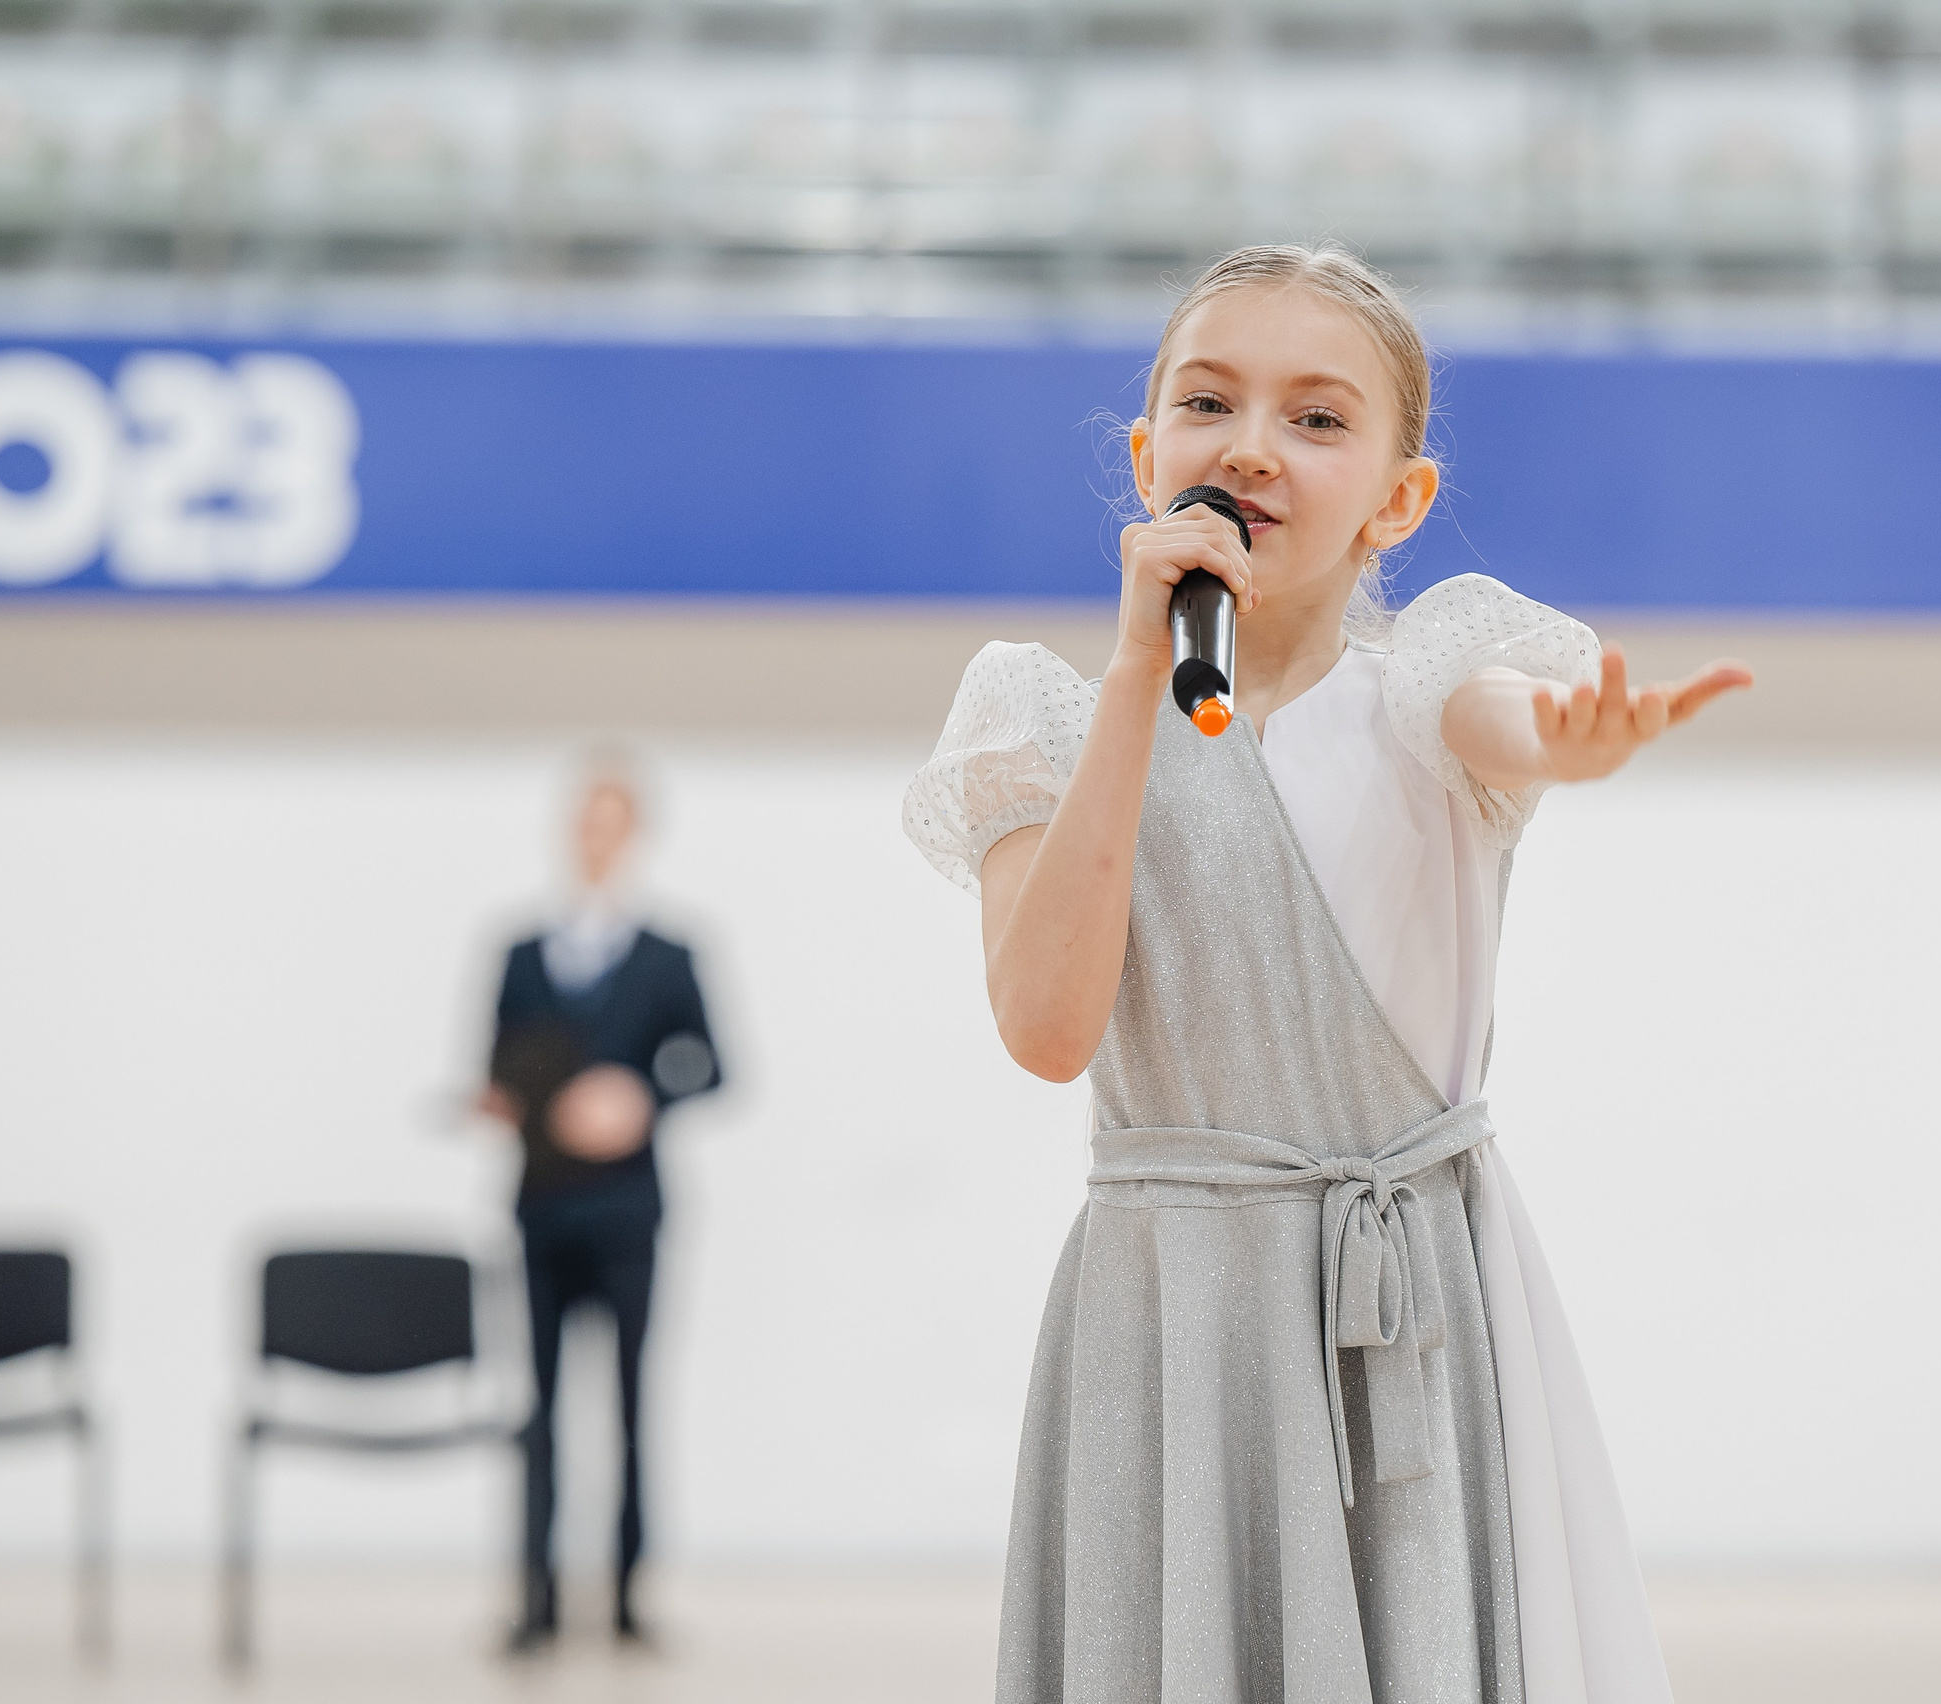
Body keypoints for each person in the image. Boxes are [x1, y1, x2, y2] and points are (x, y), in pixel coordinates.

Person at [901, 244, 1752, 1702]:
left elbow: (1513, 722)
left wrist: (1575, 738)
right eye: (1209, 402)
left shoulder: (1429, 679)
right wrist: (1134, 681)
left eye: (1317, 418)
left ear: (1398, 495)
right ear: (1145, 452)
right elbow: (1047, 1029)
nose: (1252, 448)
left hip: (1403, 1306)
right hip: (1173, 1325)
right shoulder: (1038, 714)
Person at [481, 758, 722, 1653]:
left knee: (629, 1404)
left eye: (610, 821)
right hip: (542, 1207)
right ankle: (536, 1600)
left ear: (634, 834)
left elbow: (714, 1064)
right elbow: (496, 1064)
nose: (595, 838)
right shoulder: (518, 954)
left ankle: (625, 1599)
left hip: (627, 1212)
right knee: (536, 1409)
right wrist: (500, 1103)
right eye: (584, 820)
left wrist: (644, 1099)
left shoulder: (668, 956)